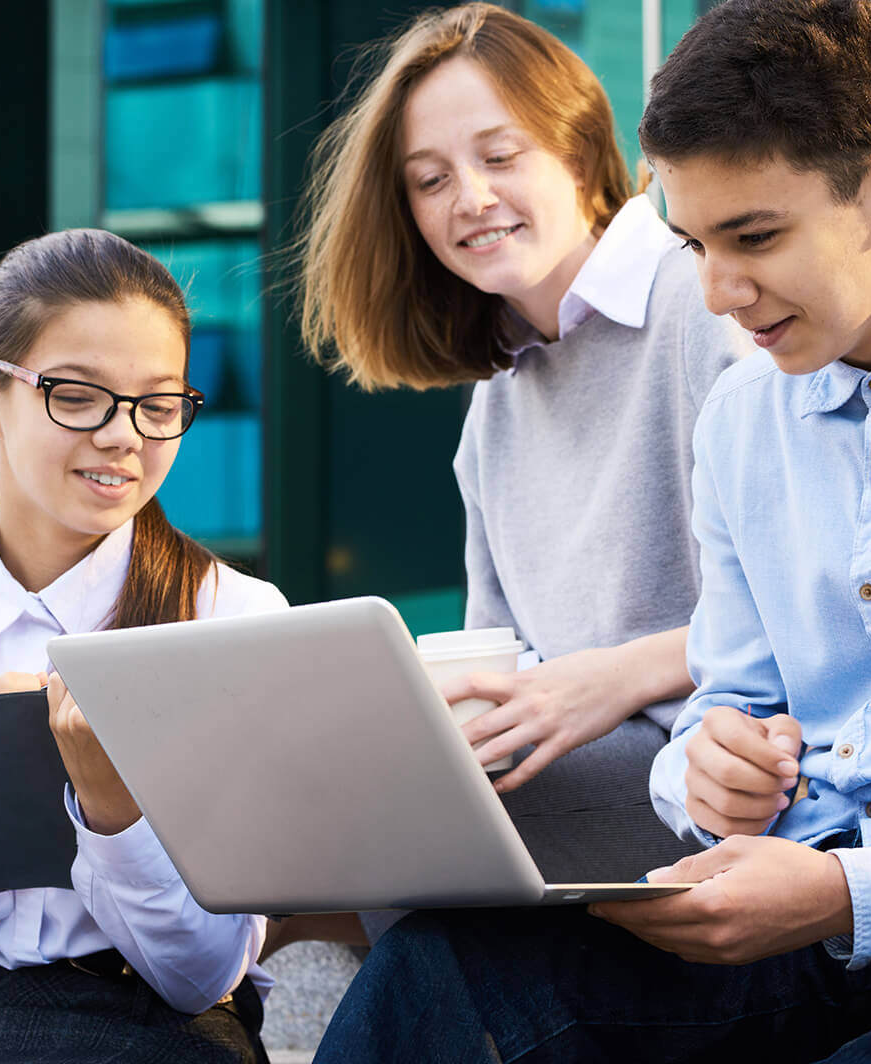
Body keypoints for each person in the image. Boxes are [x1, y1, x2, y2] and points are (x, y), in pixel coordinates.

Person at [312, 0, 871, 1060]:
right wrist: (710, 767)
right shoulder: (748, 418)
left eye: (753, 237)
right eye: (693, 243)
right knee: (438, 976)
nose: (718, 291)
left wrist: (852, 886)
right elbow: (729, 699)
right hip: (791, 905)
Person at [299, 1, 747, 892]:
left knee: (421, 827)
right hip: (580, 770)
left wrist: (608, 680)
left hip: (718, 770)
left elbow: (813, 618)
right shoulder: (496, 401)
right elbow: (494, 655)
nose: (470, 199)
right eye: (428, 181)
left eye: (500, 157)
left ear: (580, 155)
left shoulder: (707, 309)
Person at [0, 229, 287, 1063]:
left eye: (158, 405)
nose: (124, 436)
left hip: (162, 1038)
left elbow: (205, 976)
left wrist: (112, 811)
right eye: (78, 396)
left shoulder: (235, 616)